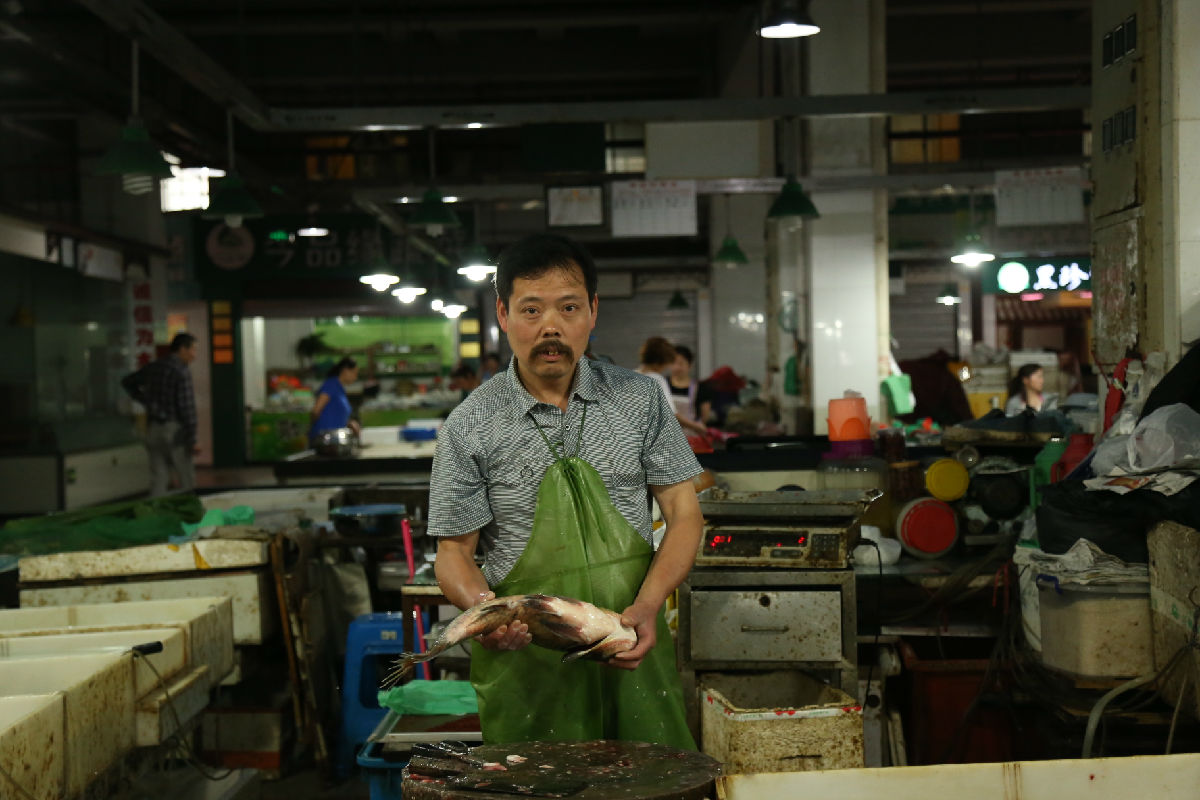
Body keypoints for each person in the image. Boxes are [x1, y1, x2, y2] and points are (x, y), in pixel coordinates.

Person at [428, 233, 703, 748]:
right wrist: (487, 611)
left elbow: (684, 514)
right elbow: (452, 553)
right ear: (503, 314)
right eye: (531, 310)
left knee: (646, 781)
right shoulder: (469, 425)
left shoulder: (638, 399)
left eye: (569, 307)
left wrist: (648, 605)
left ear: (593, 311)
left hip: (631, 642)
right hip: (527, 662)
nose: (550, 327)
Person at [121, 332, 199, 497]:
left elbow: (127, 382)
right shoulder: (181, 372)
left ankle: (156, 513)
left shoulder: (155, 367)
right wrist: (192, 439)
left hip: (154, 428)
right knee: (186, 477)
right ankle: (191, 517)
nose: (194, 355)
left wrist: (146, 401)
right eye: (193, 350)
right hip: (175, 430)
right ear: (182, 349)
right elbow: (187, 408)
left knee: (158, 476)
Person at [310, 356, 361, 442]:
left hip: (336, 440)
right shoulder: (331, 385)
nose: (355, 377)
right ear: (345, 370)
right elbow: (316, 411)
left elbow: (336, 413)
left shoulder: (340, 389)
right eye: (354, 373)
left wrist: (350, 423)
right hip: (325, 440)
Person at [668, 344, 709, 438]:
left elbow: (704, 417)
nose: (676, 367)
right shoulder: (662, 385)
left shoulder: (701, 388)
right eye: (672, 363)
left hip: (690, 438)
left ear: (689, 365)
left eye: (681, 363)